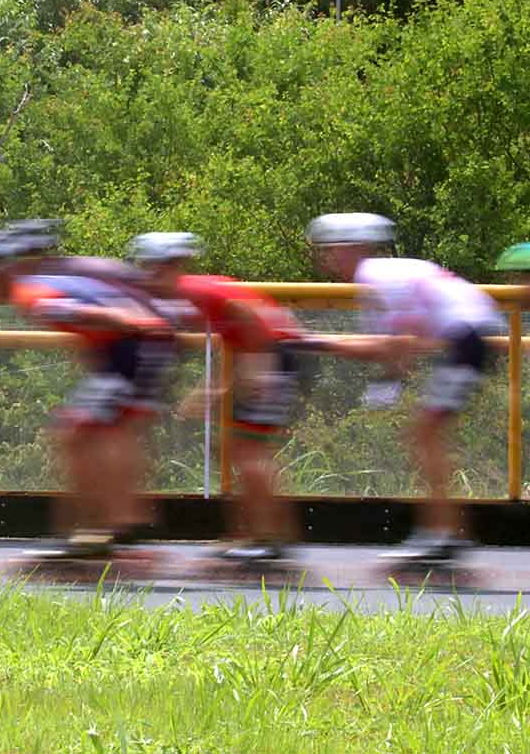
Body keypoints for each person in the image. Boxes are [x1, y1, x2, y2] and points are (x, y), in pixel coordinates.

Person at [306, 213, 500, 564]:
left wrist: (315, 342)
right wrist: (388, 378)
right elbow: (396, 348)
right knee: (425, 434)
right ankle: (444, 532)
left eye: (329, 251)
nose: (326, 259)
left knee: (425, 434)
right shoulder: (383, 274)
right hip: (466, 335)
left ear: (352, 249)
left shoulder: (375, 277)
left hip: (467, 336)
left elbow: (395, 345)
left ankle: (443, 535)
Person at [0, 226, 176, 561]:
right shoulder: (56, 273)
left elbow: (83, 313)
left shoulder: (29, 291)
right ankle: (114, 524)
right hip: (132, 346)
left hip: (134, 344)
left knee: (76, 435)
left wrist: (128, 318)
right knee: (90, 435)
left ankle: (101, 528)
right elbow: (99, 299)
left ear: (7, 267)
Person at [138, 238, 306, 562]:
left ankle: (272, 536)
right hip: (264, 353)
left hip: (272, 354)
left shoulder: (192, 291)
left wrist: (257, 372)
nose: (149, 277)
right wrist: (213, 389)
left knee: (249, 451)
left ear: (170, 268)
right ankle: (253, 534)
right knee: (238, 447)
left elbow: (249, 315)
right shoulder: (187, 292)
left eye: (153, 270)